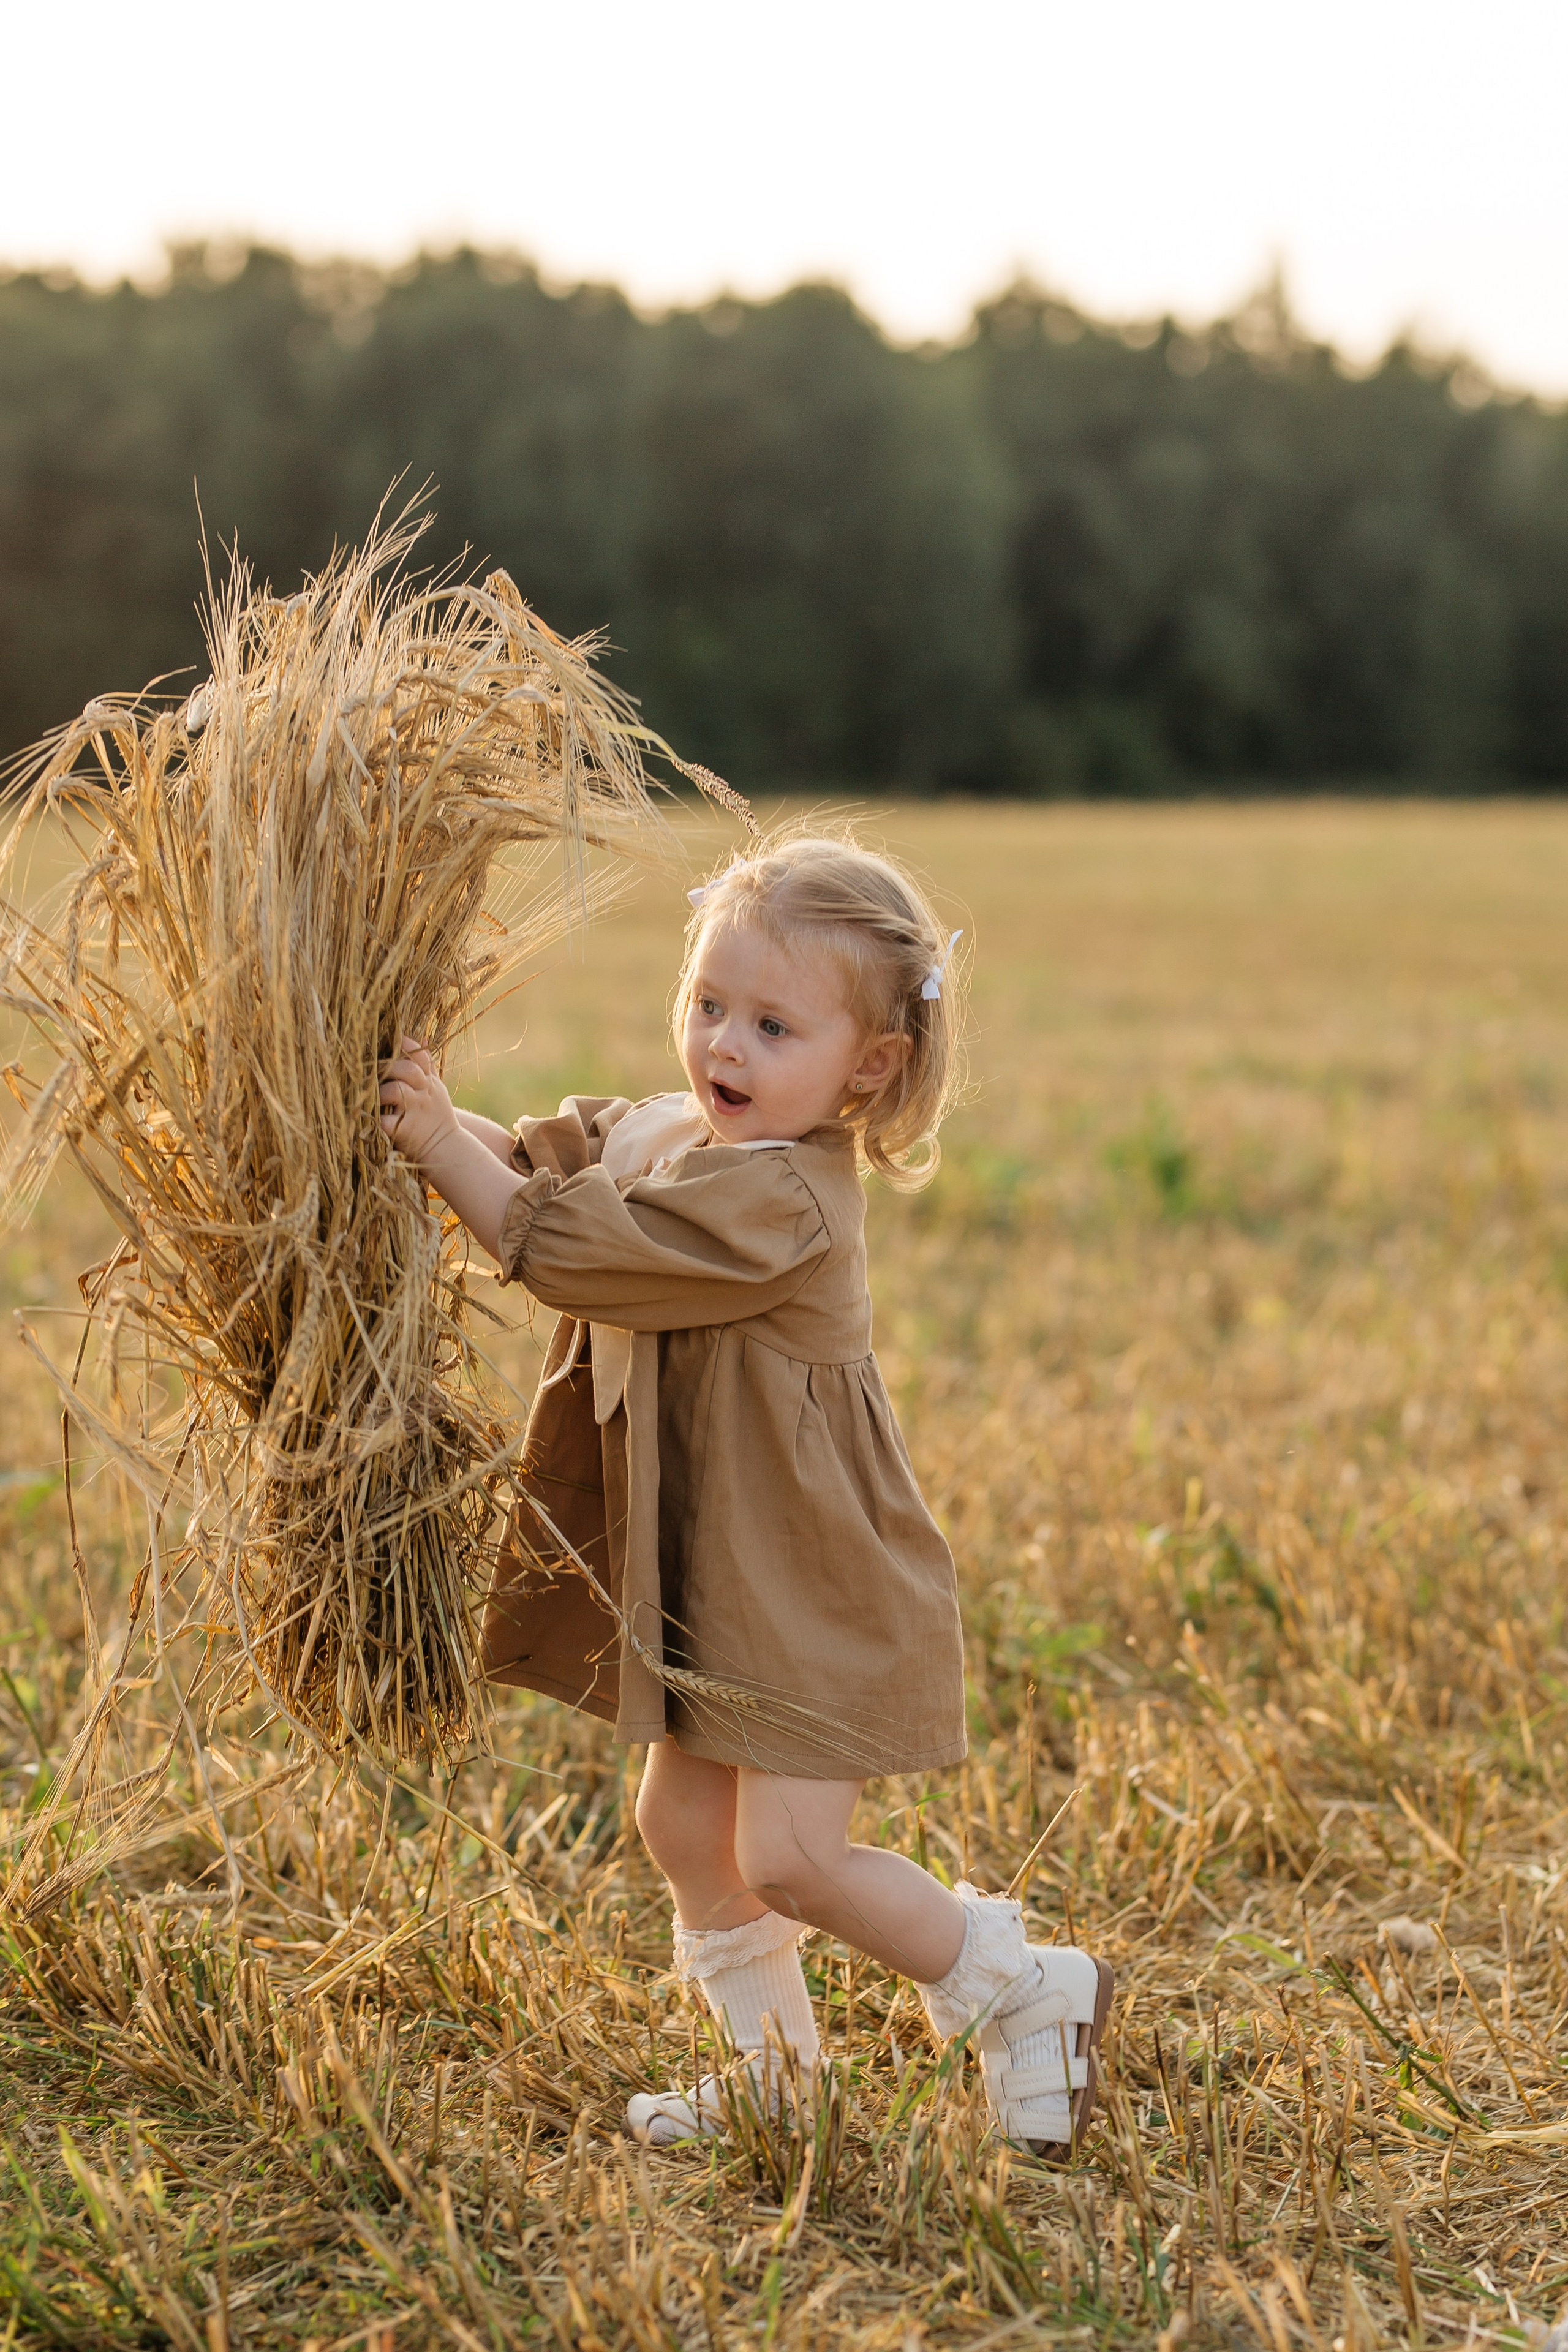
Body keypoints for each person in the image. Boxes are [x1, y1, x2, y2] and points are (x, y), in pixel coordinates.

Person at [379, 829, 1113, 2151]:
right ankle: (776, 2080)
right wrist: (419, 1122)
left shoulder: (788, 1200)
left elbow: (561, 1249)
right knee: (678, 1819)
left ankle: (1020, 1986)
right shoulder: (669, 1130)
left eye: (774, 1026)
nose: (723, 1043)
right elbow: (544, 1172)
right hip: (721, 1564)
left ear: (864, 1073)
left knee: (788, 1857)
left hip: (807, 1569)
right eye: (708, 1003)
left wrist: (440, 1145)